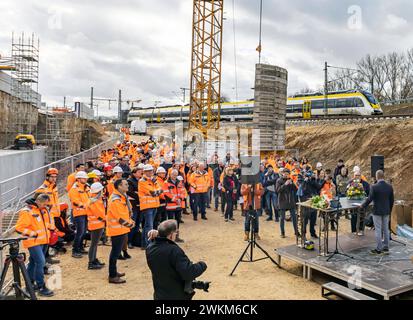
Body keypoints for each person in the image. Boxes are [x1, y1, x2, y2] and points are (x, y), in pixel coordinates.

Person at [146, 220, 207, 300]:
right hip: (176, 295)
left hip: (160, 294)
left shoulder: (150, 248)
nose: (176, 234)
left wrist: (159, 233)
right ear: (171, 235)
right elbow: (188, 272)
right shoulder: (173, 250)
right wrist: (202, 265)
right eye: (175, 233)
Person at [15, 194, 54, 297]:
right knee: (41, 262)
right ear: (38, 201)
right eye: (44, 204)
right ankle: (41, 286)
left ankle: (29, 284)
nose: (46, 206)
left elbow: (43, 224)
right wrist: (33, 234)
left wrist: (51, 227)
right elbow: (19, 228)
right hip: (33, 242)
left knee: (33, 262)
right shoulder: (27, 212)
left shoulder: (42, 209)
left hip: (42, 241)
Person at [106, 179, 135, 284]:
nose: (128, 186)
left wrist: (130, 221)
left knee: (116, 252)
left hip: (120, 229)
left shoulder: (121, 197)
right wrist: (130, 224)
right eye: (125, 184)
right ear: (119, 186)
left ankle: (114, 272)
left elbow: (125, 213)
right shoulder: (116, 200)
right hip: (117, 230)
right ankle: (112, 276)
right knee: (115, 252)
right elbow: (120, 217)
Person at [360, 170, 394, 255]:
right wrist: (389, 210)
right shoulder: (389, 187)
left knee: (378, 230)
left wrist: (362, 206)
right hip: (386, 211)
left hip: (377, 211)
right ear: (383, 176)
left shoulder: (374, 187)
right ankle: (386, 248)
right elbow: (392, 200)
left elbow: (369, 199)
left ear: (377, 176)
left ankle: (379, 249)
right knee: (386, 229)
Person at [139, 164, 162, 248]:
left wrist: (157, 191)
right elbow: (153, 192)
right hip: (147, 206)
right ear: (144, 172)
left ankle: (144, 244)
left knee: (147, 226)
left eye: (151, 171)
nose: (150, 172)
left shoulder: (153, 180)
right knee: (149, 226)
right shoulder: (142, 181)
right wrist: (156, 191)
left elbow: (160, 189)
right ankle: (148, 244)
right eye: (148, 171)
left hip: (154, 205)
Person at [68, 171, 90, 258]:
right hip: (79, 213)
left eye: (86, 178)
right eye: (84, 178)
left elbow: (89, 197)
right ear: (78, 179)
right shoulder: (74, 189)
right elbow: (75, 201)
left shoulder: (86, 187)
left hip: (86, 212)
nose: (85, 179)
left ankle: (80, 247)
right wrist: (86, 205)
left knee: (83, 232)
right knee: (80, 232)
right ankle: (75, 250)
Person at [86, 182, 106, 270]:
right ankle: (91, 262)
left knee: (95, 244)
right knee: (94, 244)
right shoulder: (95, 201)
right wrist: (107, 219)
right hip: (96, 225)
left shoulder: (94, 200)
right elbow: (100, 215)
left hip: (96, 225)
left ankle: (93, 260)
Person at [163, 169, 184, 242]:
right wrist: (176, 199)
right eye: (173, 175)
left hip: (178, 205)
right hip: (170, 205)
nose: (174, 176)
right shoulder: (166, 183)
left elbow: (182, 191)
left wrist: (181, 198)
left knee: (177, 222)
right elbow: (166, 194)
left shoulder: (179, 182)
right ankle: (170, 238)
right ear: (170, 174)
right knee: (171, 222)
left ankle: (176, 237)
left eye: (176, 175)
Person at [276, 169, 298, 238]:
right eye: (285, 173)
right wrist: (285, 184)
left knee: (294, 217)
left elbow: (295, 190)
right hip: (282, 201)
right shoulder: (279, 180)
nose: (286, 175)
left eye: (287, 173)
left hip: (291, 201)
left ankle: (296, 231)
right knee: (282, 218)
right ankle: (282, 233)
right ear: (282, 173)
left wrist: (292, 184)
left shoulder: (290, 180)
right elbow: (278, 190)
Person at [127, 164, 144, 248]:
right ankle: (129, 241)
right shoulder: (130, 181)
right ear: (134, 173)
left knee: (138, 224)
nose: (141, 173)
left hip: (140, 205)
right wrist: (140, 194)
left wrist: (139, 193)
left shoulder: (140, 181)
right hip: (133, 206)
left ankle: (135, 240)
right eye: (139, 172)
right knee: (132, 223)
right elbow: (130, 192)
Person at [300, 170, 320, 239]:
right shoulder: (302, 181)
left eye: (310, 174)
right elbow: (304, 190)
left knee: (313, 219)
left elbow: (318, 187)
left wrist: (314, 179)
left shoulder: (313, 181)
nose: (309, 176)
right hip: (306, 203)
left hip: (314, 201)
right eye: (307, 175)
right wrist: (305, 181)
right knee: (305, 220)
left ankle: (312, 233)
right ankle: (303, 234)